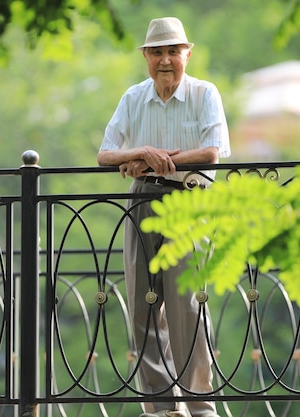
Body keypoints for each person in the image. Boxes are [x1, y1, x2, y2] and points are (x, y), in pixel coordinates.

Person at [97, 17, 230, 417]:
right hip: (142, 200)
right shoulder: (133, 97)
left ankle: (198, 405)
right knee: (142, 304)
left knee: (184, 303)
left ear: (188, 54)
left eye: (174, 51)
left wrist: (156, 158)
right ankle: (160, 406)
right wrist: (138, 155)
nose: (166, 60)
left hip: (189, 200)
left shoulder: (205, 93)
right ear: (146, 57)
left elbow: (211, 152)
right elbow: (105, 154)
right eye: (157, 52)